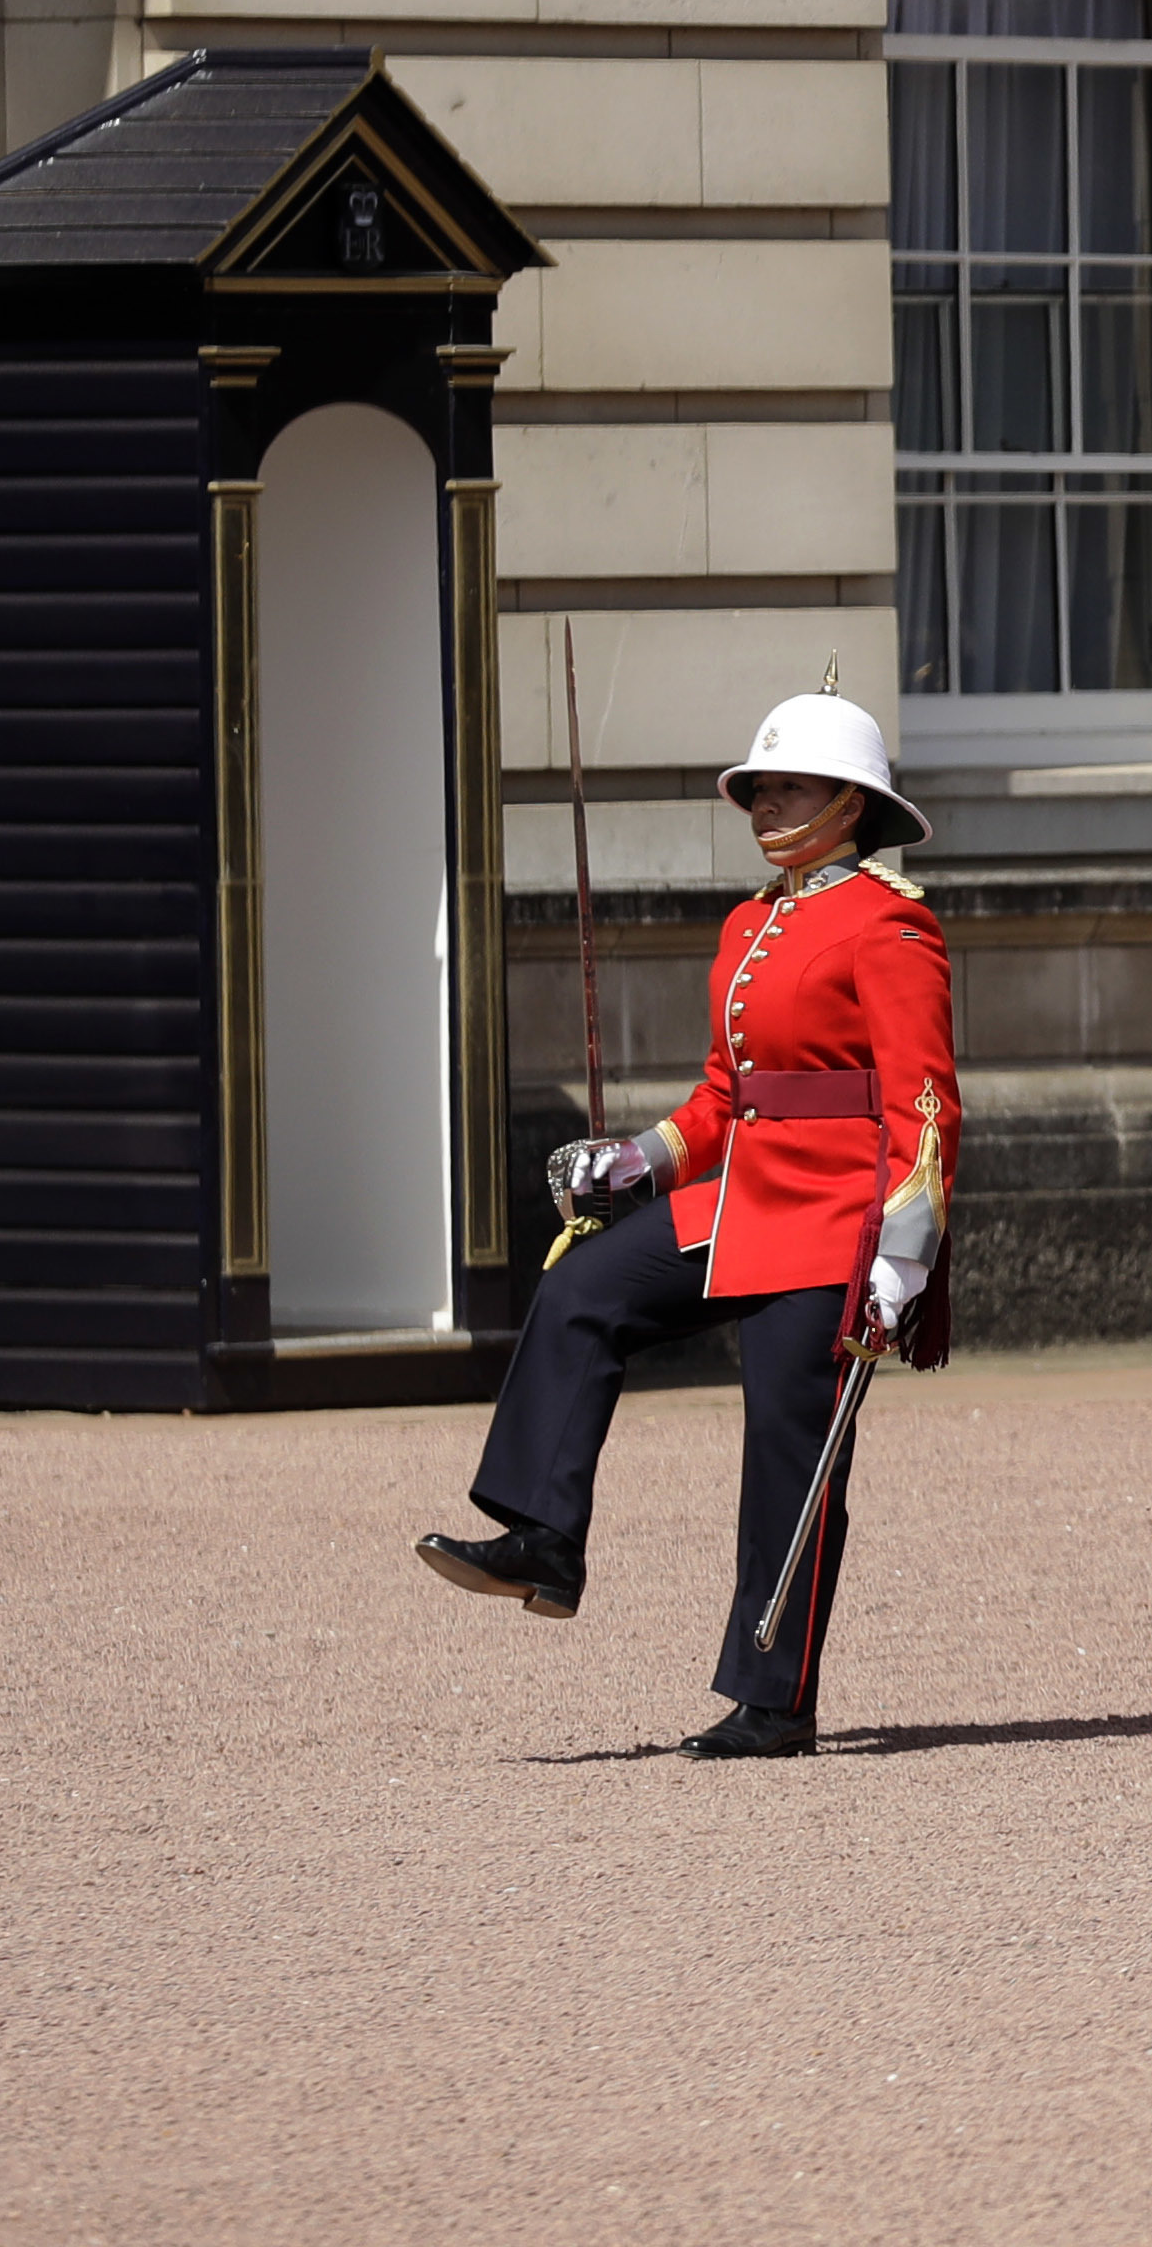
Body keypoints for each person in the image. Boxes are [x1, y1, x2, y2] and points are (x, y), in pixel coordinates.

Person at [420, 692, 952, 1760]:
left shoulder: (892, 923)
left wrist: (907, 1253)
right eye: (758, 789)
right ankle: (544, 1537)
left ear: (849, 804)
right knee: (579, 1293)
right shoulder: (750, 924)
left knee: (788, 1452)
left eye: (788, 787)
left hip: (839, 1216)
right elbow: (724, 1098)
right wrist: (637, 1158)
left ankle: (774, 1698)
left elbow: (925, 1102)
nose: (765, 804)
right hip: (743, 1200)